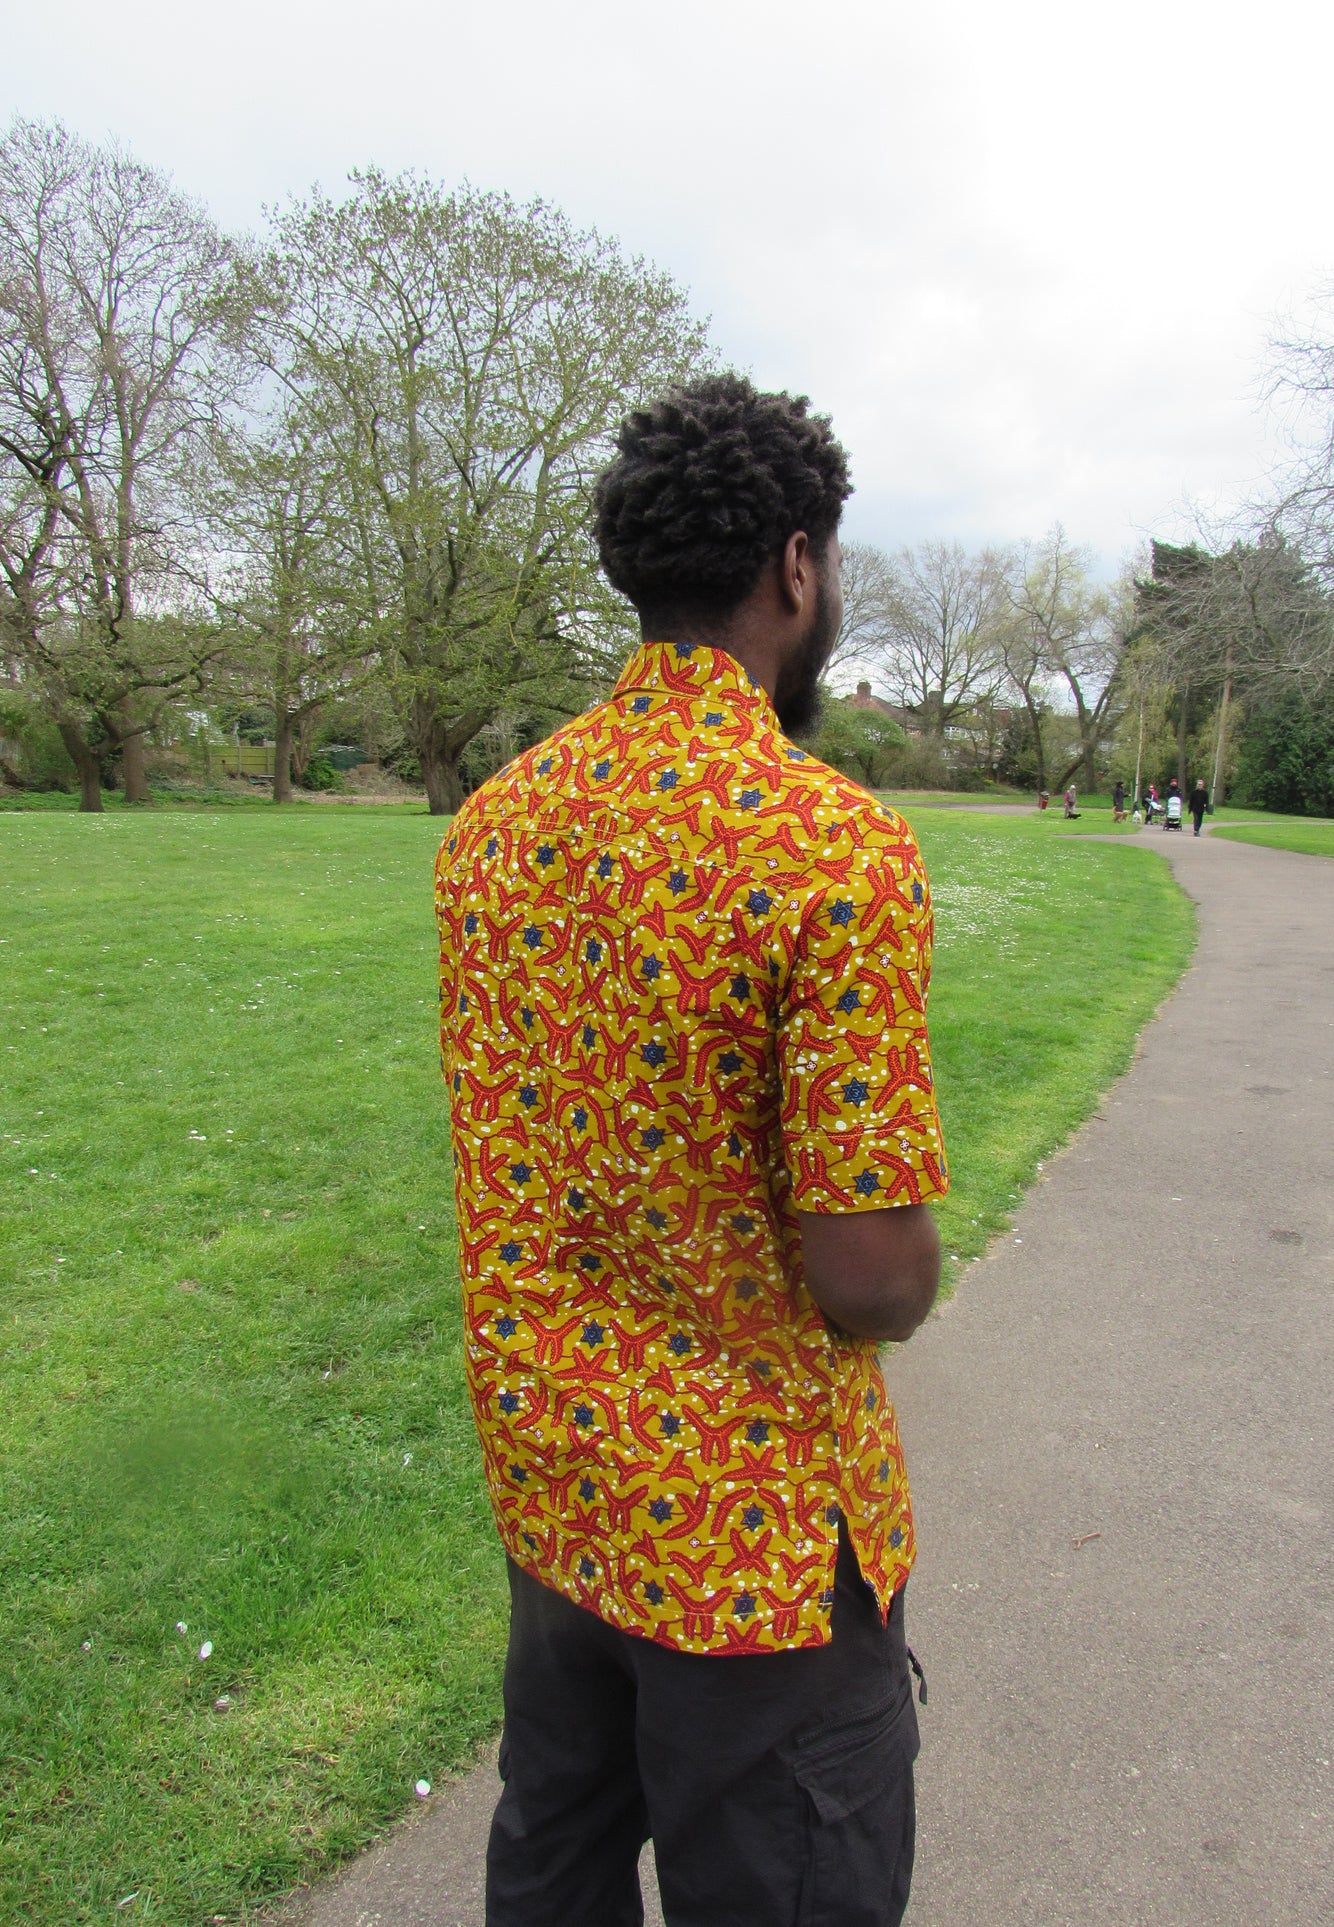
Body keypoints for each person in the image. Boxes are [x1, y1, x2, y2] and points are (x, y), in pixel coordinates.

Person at [435, 374, 948, 1927]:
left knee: (557, 1859)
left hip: (562, 1501)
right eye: (832, 568)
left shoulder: (493, 828)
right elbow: (866, 1277)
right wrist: (916, 1259)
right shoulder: (823, 841)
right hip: (757, 1550)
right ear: (797, 566)